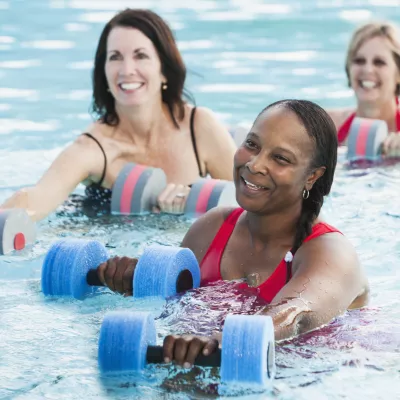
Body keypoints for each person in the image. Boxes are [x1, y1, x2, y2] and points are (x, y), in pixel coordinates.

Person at [95, 99, 369, 368]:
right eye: (252, 144)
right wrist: (134, 278)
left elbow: (296, 315)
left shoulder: (331, 253)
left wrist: (219, 340)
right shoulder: (210, 229)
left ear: (312, 176)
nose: (255, 164)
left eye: (280, 158)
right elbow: (174, 307)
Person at [0, 9, 236, 220]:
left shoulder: (199, 127)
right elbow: (36, 199)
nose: (127, 70)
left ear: (164, 70)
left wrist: (192, 204)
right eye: (115, 57)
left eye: (140, 55)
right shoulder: (94, 147)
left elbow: (254, 202)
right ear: (104, 73)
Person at [328, 21, 400, 157]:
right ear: (349, 69)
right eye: (359, 61)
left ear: (398, 74)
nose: (367, 70)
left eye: (379, 62)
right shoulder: (327, 127)